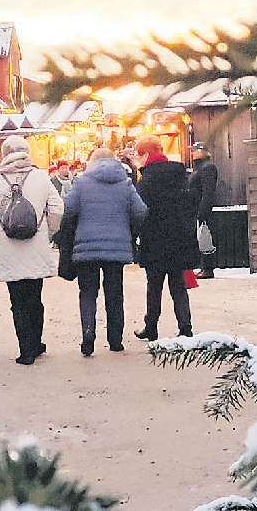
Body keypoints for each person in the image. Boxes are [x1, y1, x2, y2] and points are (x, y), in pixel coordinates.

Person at [0, 135, 63, 365]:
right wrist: (48, 233)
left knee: (17, 301)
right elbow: (56, 209)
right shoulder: (41, 177)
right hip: (36, 245)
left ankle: (25, 350)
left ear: (5, 153)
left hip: (8, 247)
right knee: (35, 297)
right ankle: (37, 343)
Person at [60, 148, 147, 356]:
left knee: (88, 293)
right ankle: (115, 340)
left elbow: (67, 209)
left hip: (86, 248)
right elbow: (141, 210)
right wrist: (129, 229)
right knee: (115, 293)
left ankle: (88, 335)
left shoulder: (81, 182)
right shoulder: (125, 183)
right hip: (116, 248)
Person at [132, 135, 200, 341]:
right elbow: (191, 202)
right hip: (179, 237)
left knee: (154, 286)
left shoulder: (147, 179)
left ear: (145, 154)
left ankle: (151, 326)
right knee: (178, 285)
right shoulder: (180, 174)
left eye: (137, 155)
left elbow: (139, 210)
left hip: (154, 239)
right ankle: (185, 328)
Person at [188, 142, 219, 279]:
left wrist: (203, 211)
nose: (193, 152)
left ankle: (207, 268)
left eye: (196, 150)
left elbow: (208, 192)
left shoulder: (207, 168)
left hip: (202, 210)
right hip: (195, 209)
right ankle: (203, 266)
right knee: (201, 238)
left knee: (205, 239)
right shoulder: (199, 169)